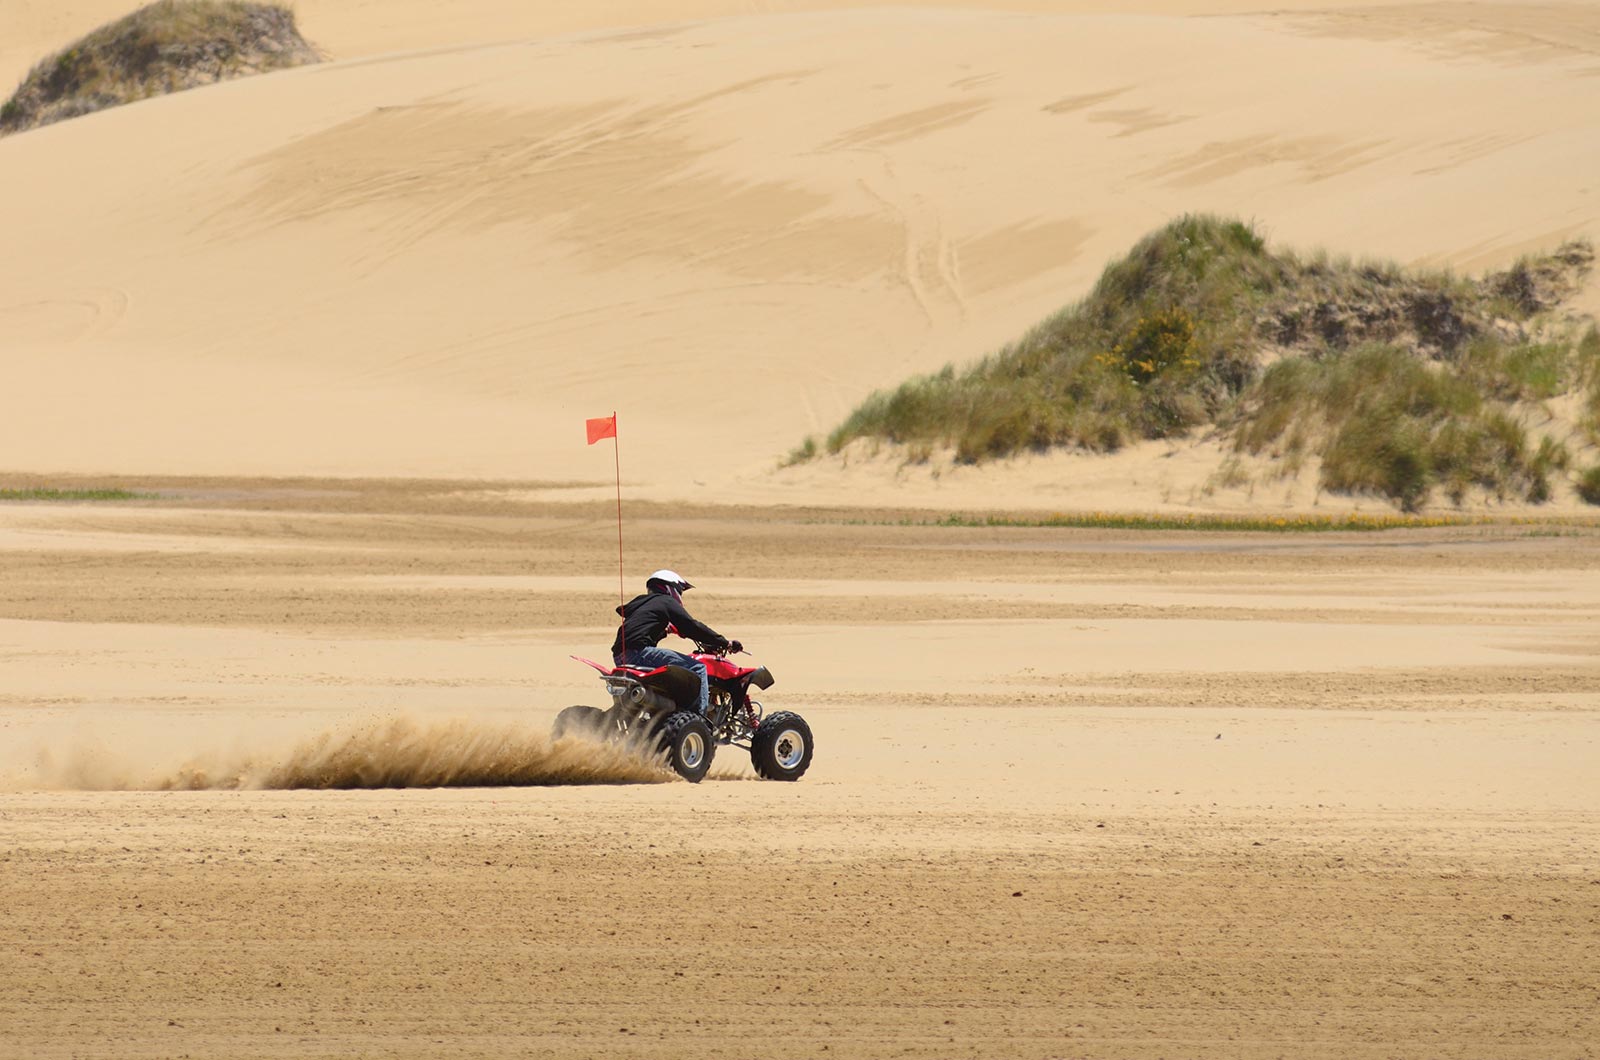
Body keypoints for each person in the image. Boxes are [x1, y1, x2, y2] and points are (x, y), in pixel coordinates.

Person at [611, 570, 740, 716]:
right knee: (698, 668)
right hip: (639, 653)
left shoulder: (643, 604)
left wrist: (666, 631)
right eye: (680, 591)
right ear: (670, 588)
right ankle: (699, 720)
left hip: (620, 656)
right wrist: (724, 642)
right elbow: (692, 626)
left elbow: (641, 632)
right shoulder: (666, 601)